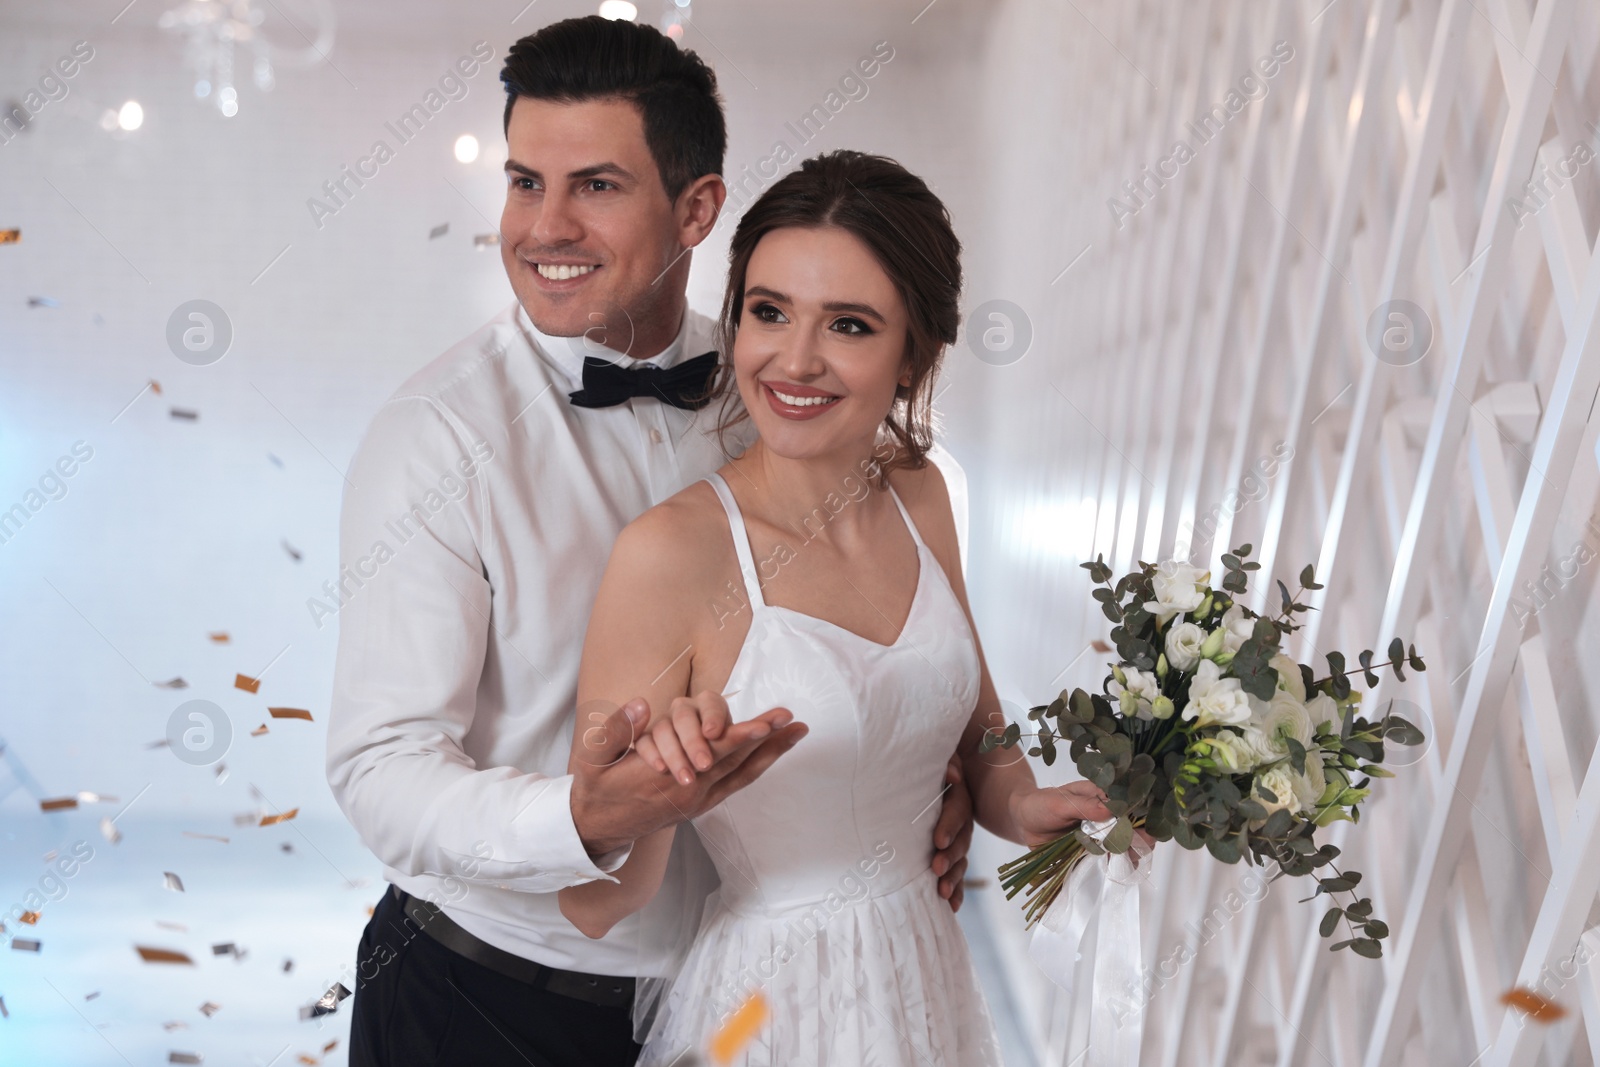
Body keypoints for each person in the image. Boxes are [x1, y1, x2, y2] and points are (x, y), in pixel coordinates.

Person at [324, 17, 976, 1067]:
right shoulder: (435, 436)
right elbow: (379, 765)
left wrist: (917, 775)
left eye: (595, 185)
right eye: (524, 181)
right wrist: (578, 817)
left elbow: (872, 613)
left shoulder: (786, 378)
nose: (545, 226)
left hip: (748, 1008)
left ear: (698, 208)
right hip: (488, 995)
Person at [556, 149, 1118, 1067]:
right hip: (763, 1014)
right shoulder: (671, 553)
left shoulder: (922, 490)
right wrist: (651, 794)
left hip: (920, 978)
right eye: (768, 311)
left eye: (849, 324)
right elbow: (593, 901)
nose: (795, 359)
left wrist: (1029, 806)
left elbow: (982, 742)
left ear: (914, 356)